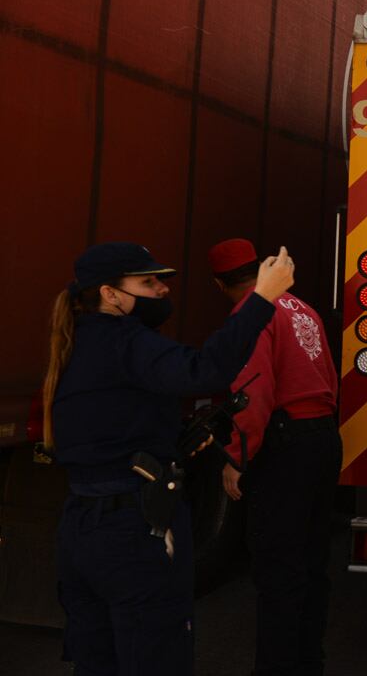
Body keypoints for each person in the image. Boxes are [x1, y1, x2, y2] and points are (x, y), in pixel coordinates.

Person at [43, 241, 294, 675]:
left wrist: (173, 444)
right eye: (147, 281)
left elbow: (112, 425)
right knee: (156, 656)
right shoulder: (126, 340)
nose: (161, 290)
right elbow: (206, 370)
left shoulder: (78, 343)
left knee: (97, 660)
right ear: (110, 294)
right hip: (133, 532)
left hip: (82, 528)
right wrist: (262, 298)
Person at [208, 238, 341, 676]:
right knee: (310, 566)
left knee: (278, 570)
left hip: (284, 446)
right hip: (321, 440)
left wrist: (236, 457)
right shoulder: (304, 309)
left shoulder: (254, 314)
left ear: (220, 283)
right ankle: (308, 663)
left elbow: (253, 394)